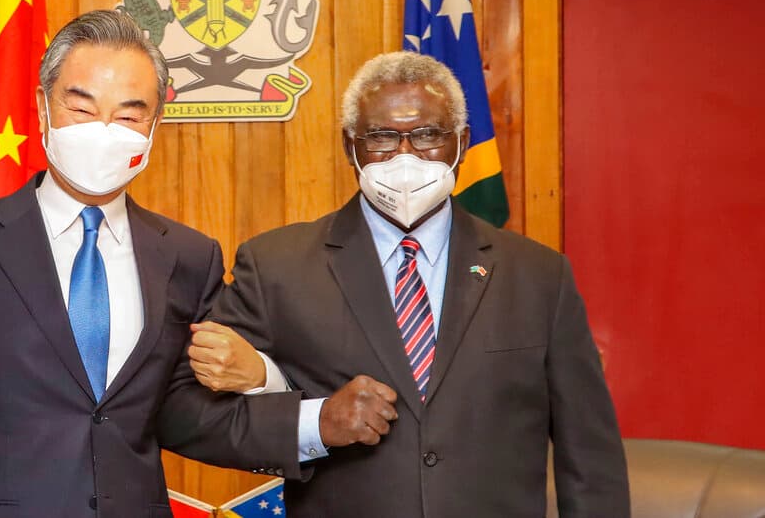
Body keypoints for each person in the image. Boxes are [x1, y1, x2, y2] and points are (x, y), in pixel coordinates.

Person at [0, 10, 302, 518]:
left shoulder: (188, 256)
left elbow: (190, 415)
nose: (104, 130)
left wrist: (263, 377)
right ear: (42, 107)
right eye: (81, 108)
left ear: (154, 126)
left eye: (128, 116)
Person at [185, 51, 630, 517]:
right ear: (350, 147)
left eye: (428, 135)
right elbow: (192, 416)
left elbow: (590, 458)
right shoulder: (277, 266)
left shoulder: (539, 276)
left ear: (461, 142)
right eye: (381, 137)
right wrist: (315, 423)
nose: (405, 156)